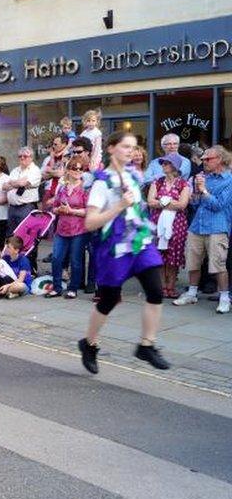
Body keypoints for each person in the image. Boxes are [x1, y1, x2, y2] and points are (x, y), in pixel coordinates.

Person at [78, 131, 169, 375]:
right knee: (108, 300)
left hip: (139, 242)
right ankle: (89, 344)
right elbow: (90, 223)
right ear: (111, 148)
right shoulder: (101, 182)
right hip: (114, 248)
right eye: (125, 146)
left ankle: (146, 345)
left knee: (155, 290)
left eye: (133, 147)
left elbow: (138, 211)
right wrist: (119, 205)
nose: (131, 151)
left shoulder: (134, 176)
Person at [172, 145, 232, 313]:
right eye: (203, 158)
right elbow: (196, 204)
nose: (203, 161)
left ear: (220, 159)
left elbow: (218, 205)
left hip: (217, 227)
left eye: (208, 159)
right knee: (193, 261)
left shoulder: (229, 180)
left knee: (218, 264)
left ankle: (225, 297)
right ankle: (191, 293)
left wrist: (203, 190)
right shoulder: (205, 177)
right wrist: (195, 195)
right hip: (197, 225)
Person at [146, 153, 190, 299]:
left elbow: (183, 205)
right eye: (163, 163)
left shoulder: (183, 184)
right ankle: (162, 286)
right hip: (158, 222)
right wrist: (169, 202)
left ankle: (171, 286)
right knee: (160, 255)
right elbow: (150, 202)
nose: (163, 165)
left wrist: (163, 202)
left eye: (166, 163)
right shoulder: (157, 182)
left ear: (174, 166)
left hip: (177, 224)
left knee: (174, 255)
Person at [45, 157, 89, 299]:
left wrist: (72, 211)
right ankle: (57, 287)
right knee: (57, 258)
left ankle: (73, 288)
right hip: (62, 229)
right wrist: (60, 209)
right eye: (74, 168)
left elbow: (89, 211)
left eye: (80, 169)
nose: (77, 171)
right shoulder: (62, 188)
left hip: (79, 230)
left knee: (76, 260)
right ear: (68, 170)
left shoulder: (85, 189)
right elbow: (54, 207)